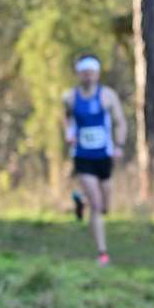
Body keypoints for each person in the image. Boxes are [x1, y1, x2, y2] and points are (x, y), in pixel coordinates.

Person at [61, 54, 126, 265]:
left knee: (105, 207)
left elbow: (120, 122)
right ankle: (102, 253)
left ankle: (82, 201)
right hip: (83, 156)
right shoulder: (70, 98)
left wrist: (119, 146)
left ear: (97, 74)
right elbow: (67, 119)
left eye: (92, 73)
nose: (88, 76)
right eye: (84, 73)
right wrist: (69, 134)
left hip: (104, 156)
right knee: (97, 207)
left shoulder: (108, 96)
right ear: (79, 74)